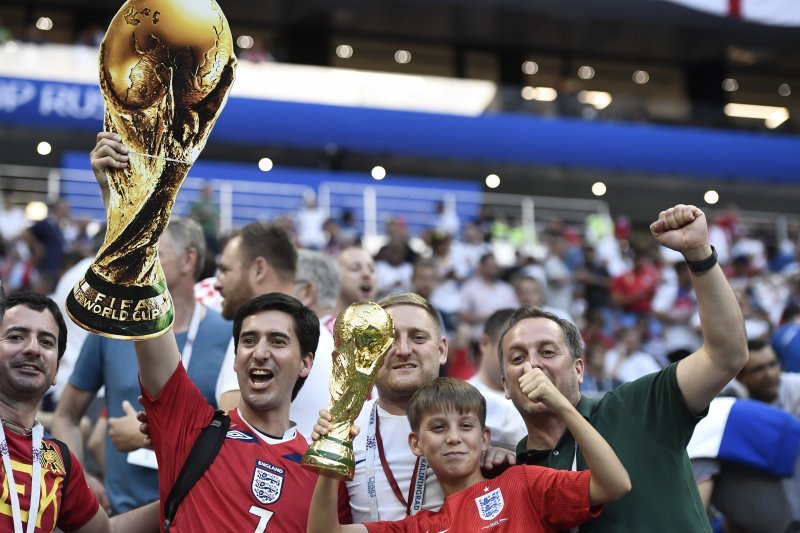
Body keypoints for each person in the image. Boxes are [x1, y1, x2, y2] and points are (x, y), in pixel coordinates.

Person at [502, 204, 748, 532]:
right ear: (505, 385)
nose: (532, 364)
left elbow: (726, 355)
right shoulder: (516, 471)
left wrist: (699, 254)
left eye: (547, 351)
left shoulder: (636, 405)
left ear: (579, 369)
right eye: (517, 358)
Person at [51, 217, 231, 514]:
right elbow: (66, 416)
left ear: (189, 259)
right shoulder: (113, 328)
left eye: (153, 253)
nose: (140, 263)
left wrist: (155, 434)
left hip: (195, 515)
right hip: (118, 515)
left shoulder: (228, 335)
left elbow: (235, 438)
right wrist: (79, 481)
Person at [308, 377, 631, 532]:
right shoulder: (421, 527)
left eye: (465, 425)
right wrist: (331, 456)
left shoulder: (521, 484)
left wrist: (562, 406)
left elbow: (615, 484)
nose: (453, 438)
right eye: (437, 428)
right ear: (416, 444)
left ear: (484, 436)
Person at [135, 292, 320, 530]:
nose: (260, 353)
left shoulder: (320, 471)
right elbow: (148, 315)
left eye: (278, 341)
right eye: (249, 341)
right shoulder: (194, 427)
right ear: (235, 358)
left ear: (305, 363)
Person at [333, 292, 514, 523]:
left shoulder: (495, 411)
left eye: (418, 338)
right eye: (388, 340)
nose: (404, 350)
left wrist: (509, 459)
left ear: (441, 350)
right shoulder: (344, 429)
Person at [0, 290, 160, 532]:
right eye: (16, 337)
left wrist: (179, 500)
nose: (33, 349)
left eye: (46, 342)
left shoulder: (57, 460)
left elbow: (107, 531)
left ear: (55, 373)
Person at [466, 308, 527, 451]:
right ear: (484, 343)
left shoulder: (541, 400)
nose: (524, 360)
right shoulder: (458, 398)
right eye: (513, 348)